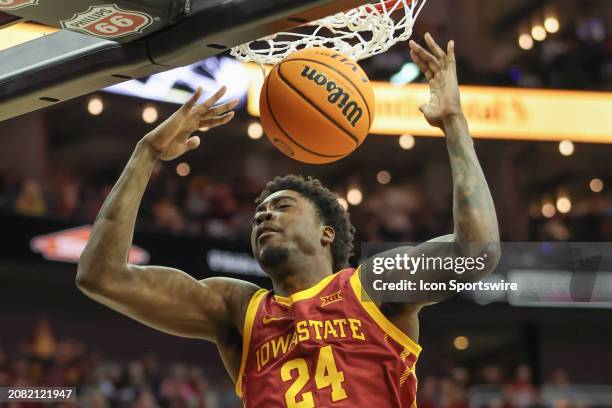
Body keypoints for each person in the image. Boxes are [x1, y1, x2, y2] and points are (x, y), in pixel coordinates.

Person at [77, 34, 500, 407]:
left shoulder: (370, 287)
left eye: (282, 206)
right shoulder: (238, 310)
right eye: (259, 211)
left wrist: (453, 123)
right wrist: (146, 153)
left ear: (326, 233)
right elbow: (102, 276)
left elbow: (477, 251)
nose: (263, 214)